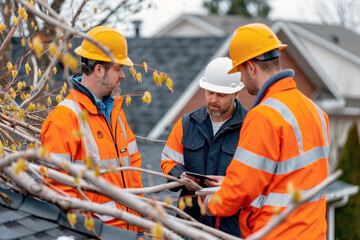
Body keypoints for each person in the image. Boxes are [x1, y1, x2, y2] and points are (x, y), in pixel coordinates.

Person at [200, 23, 330, 239]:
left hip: (279, 233)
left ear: (251, 67)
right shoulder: (316, 111)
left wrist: (211, 203)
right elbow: (292, 177)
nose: (241, 78)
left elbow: (240, 190)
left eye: (240, 70)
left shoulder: (264, 116)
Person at [41, 26, 145, 235]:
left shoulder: (116, 114)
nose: (123, 76)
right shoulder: (65, 118)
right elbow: (58, 188)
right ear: (99, 70)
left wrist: (139, 223)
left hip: (129, 232)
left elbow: (133, 169)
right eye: (118, 69)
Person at [161, 57, 248, 238]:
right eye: (210, 93)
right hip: (189, 226)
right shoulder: (187, 123)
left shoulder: (250, 126)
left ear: (236, 93)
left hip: (232, 228)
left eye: (221, 95)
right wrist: (181, 175)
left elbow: (260, 176)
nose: (213, 99)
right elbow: (168, 161)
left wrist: (230, 184)